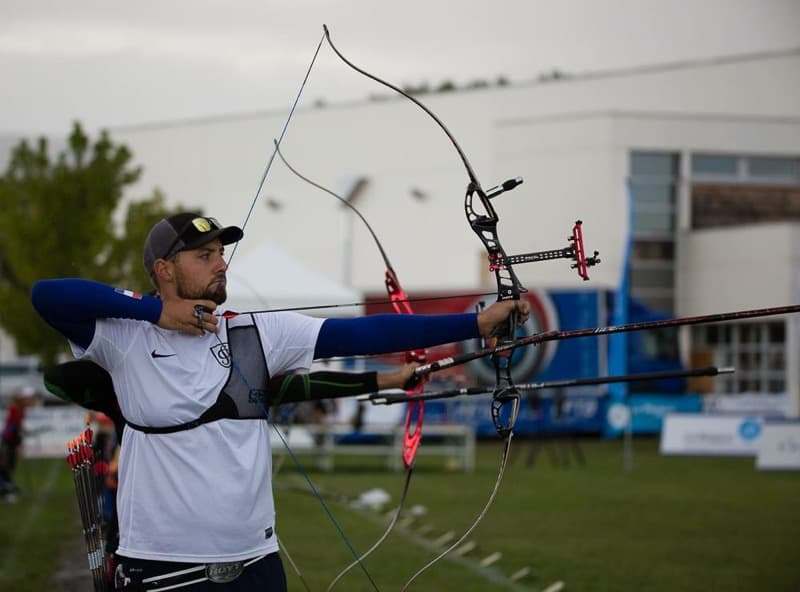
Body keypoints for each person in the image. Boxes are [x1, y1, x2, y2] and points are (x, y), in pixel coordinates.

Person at [31, 212, 528, 591]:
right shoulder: (125, 337)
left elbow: (365, 332)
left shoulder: (257, 332)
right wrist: (153, 311)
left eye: (221, 254)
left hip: (257, 564)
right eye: (204, 255)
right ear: (164, 270)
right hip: (162, 565)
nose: (221, 262)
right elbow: (48, 295)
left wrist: (475, 324)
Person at [0, 386, 38, 501]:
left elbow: (17, 426)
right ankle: (5, 489)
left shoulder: (21, 410)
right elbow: (12, 427)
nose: (30, 400)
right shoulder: (15, 409)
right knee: (5, 465)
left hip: (12, 440)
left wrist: (23, 433)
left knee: (9, 465)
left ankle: (7, 486)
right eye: (28, 398)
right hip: (8, 441)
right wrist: (17, 439)